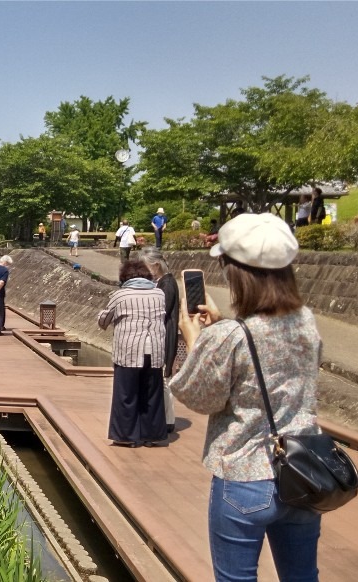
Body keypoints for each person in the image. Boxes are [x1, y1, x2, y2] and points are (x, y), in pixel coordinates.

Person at [169, 212, 323, 581]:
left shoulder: (232, 336)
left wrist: (195, 339)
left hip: (244, 477)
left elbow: (200, 396)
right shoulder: (306, 321)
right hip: (303, 473)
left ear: (236, 272)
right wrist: (220, 329)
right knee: (302, 576)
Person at [97, 259, 168, 447]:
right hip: (154, 350)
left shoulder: (121, 295)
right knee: (151, 393)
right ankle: (151, 436)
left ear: (124, 277)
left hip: (129, 350)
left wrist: (105, 318)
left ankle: (127, 436)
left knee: (126, 394)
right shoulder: (159, 294)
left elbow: (104, 320)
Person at [142, 250, 179, 433]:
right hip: (163, 334)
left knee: (164, 379)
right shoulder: (162, 282)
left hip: (166, 335)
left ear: (155, 264)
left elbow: (162, 311)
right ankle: (166, 418)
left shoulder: (168, 283)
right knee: (163, 379)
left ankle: (168, 420)